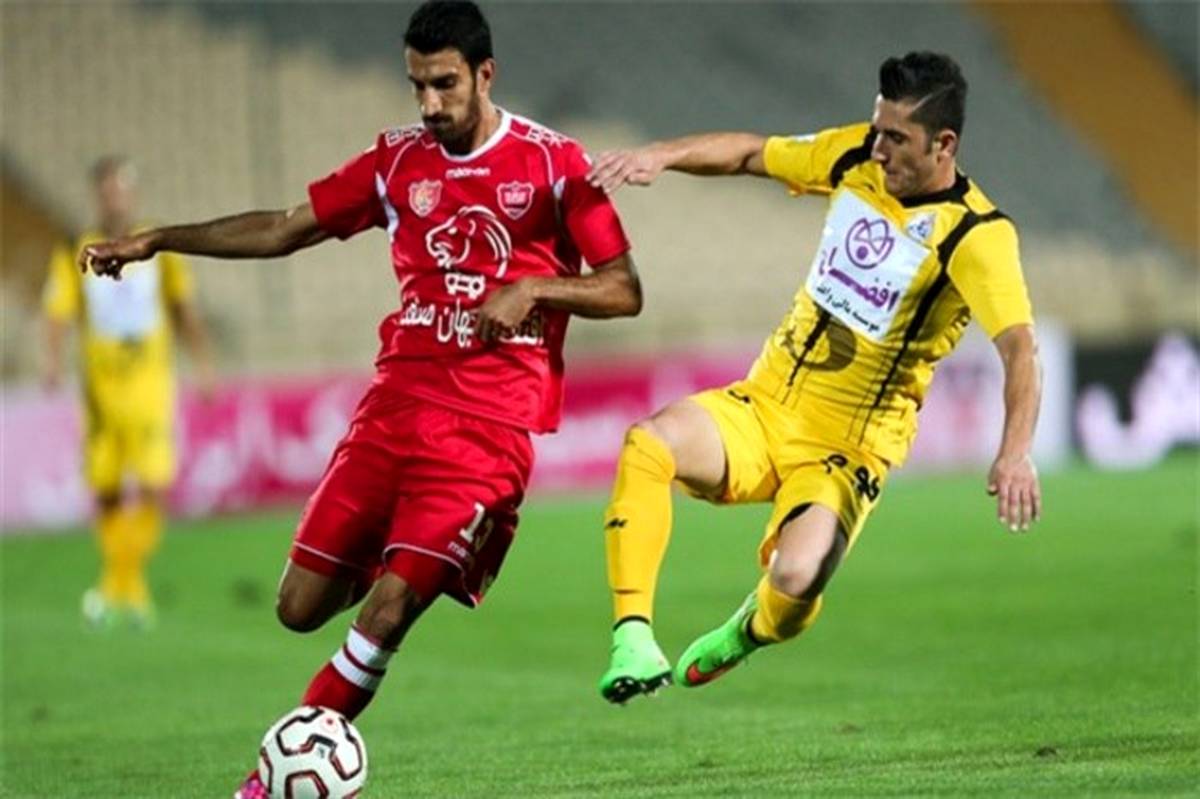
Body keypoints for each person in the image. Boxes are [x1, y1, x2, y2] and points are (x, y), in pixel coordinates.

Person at [80, 2, 640, 795]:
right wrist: (159, 238)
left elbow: (624, 289)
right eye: (417, 86)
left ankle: (264, 784)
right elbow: (284, 227)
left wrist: (536, 288)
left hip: (485, 437)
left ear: (485, 74)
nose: (429, 104)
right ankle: (400, 552)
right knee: (298, 606)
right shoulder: (396, 162)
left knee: (387, 609)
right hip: (392, 413)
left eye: (444, 85)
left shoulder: (554, 165)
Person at [588, 51, 1042, 703]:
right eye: (877, 129)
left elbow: (1021, 349)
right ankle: (632, 637)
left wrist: (1015, 451)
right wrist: (661, 155)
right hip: (765, 403)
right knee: (648, 443)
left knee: (796, 578)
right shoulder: (855, 157)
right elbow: (752, 154)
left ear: (943, 145)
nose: (878, 148)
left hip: (846, 447)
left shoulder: (977, 235)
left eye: (897, 138)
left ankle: (749, 630)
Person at [43, 155, 214, 629]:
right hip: (100, 393)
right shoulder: (74, 250)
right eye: (106, 190)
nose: (114, 198)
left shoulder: (156, 248)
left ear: (132, 194)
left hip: (149, 387)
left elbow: (183, 307)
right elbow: (57, 313)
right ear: (96, 196)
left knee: (156, 487)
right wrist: (52, 360)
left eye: (120, 189)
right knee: (108, 491)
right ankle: (127, 589)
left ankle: (120, 583)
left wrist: (203, 362)